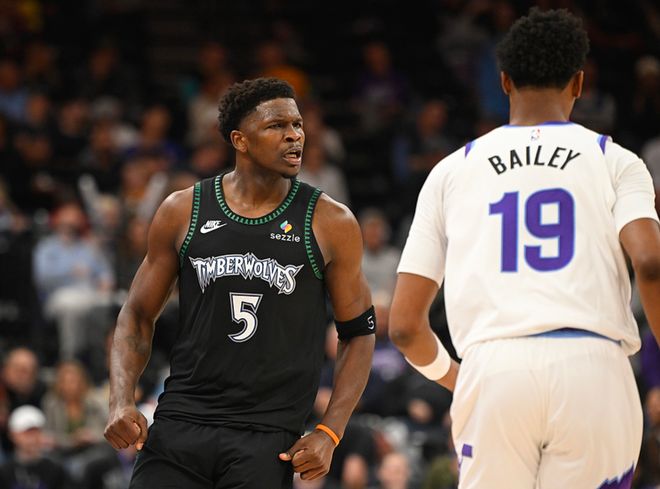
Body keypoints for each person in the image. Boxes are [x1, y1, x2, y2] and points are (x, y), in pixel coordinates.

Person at [388, 8, 660, 489]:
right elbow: (651, 264)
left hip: (493, 369)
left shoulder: (450, 171)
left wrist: (459, 378)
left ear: (504, 81)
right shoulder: (617, 161)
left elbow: (406, 328)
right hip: (594, 368)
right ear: (579, 83)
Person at [104, 77, 376, 488]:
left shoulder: (330, 221)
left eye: (297, 125)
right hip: (181, 423)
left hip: (267, 436)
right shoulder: (183, 209)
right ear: (240, 140)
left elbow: (358, 333)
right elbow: (137, 314)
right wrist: (121, 400)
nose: (294, 136)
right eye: (277, 126)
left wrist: (329, 431)